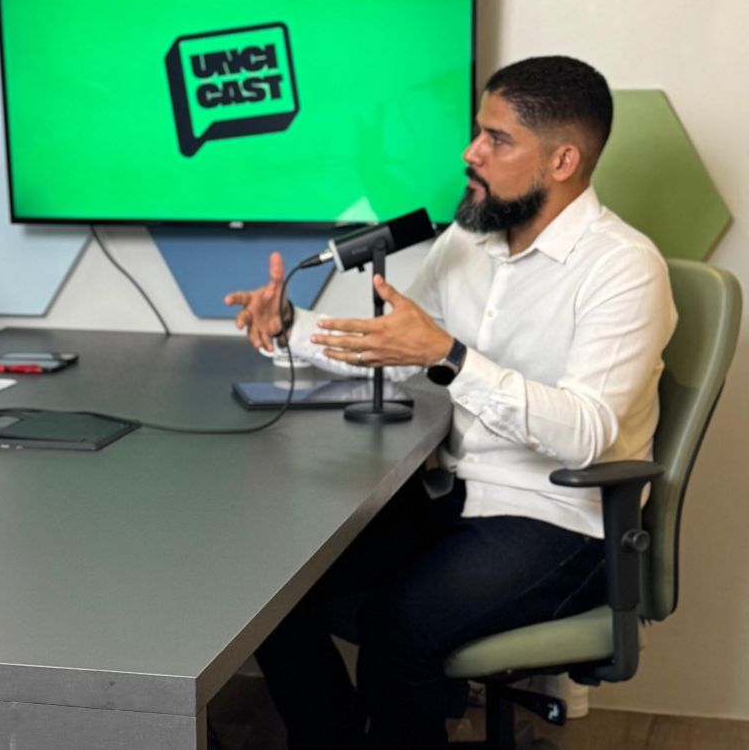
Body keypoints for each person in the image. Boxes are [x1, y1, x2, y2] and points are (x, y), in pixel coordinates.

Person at [224, 56, 677, 749]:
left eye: (497, 139)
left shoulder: (624, 267)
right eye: (476, 132)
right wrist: (290, 326)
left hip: (562, 519)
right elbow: (397, 345)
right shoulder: (469, 241)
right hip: (453, 497)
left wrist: (451, 357)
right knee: (272, 591)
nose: (471, 152)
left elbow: (586, 434)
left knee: (400, 631)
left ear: (562, 161)